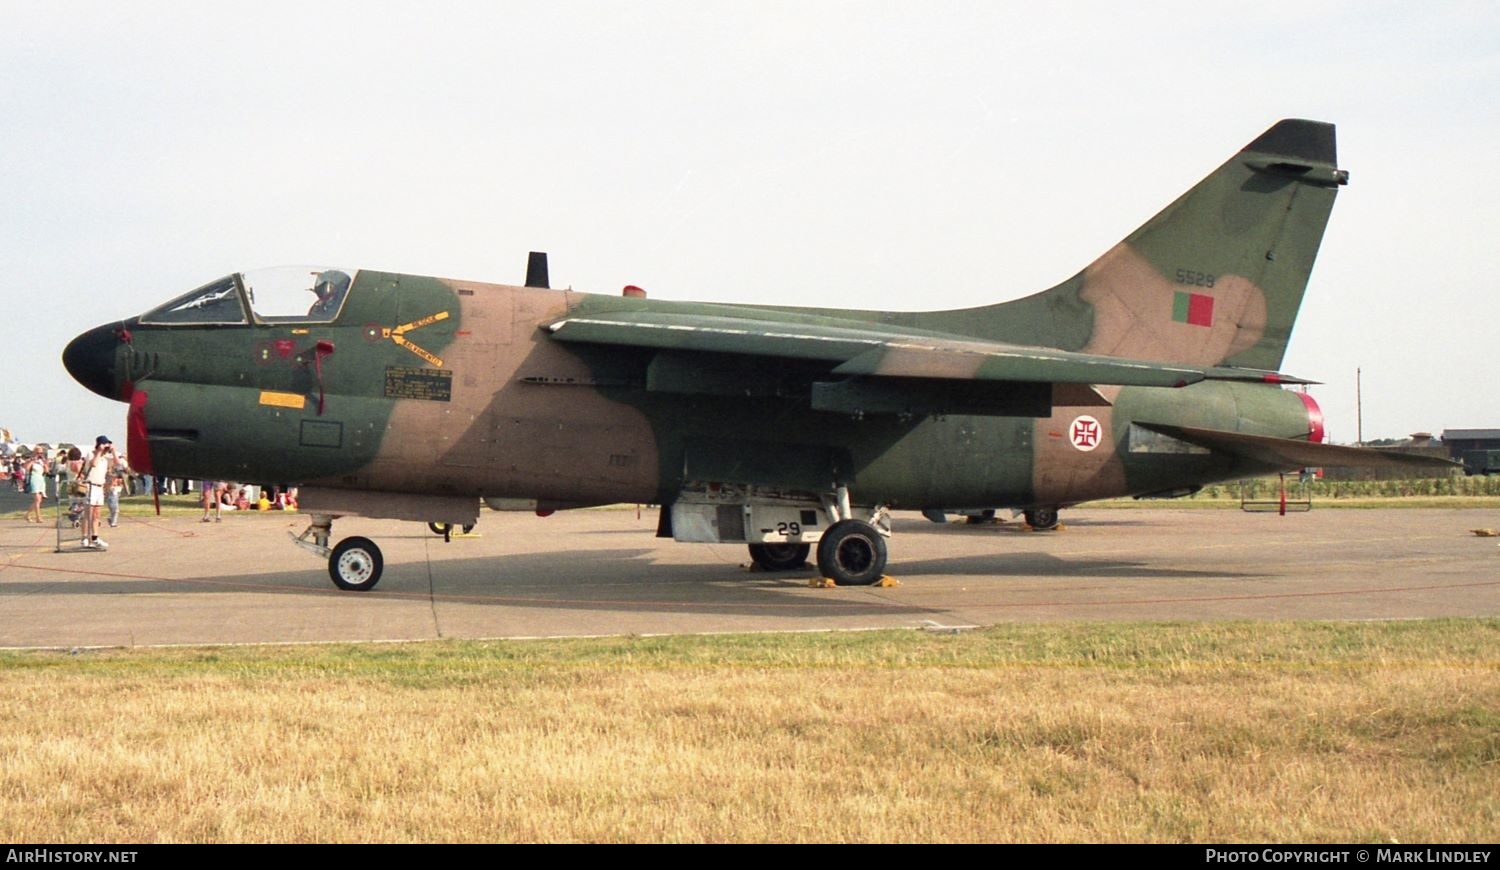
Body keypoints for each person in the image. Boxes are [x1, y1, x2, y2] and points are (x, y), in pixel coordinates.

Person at [82, 436, 113, 549]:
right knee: (88, 513)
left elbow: (115, 464)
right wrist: (99, 451)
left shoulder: (105, 458)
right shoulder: (91, 454)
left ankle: (95, 537)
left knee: (96, 514)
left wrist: (112, 451)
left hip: (100, 487)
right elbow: (93, 464)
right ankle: (85, 537)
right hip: (91, 486)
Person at [23, 450, 48, 523]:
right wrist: (32, 460)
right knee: (37, 499)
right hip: (34, 479)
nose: (39, 454)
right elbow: (26, 468)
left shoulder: (41, 462)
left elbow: (46, 471)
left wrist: (44, 463)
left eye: (41, 453)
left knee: (39, 500)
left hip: (41, 479)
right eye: (38, 453)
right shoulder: (30, 460)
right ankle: (38, 517)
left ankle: (27, 515)